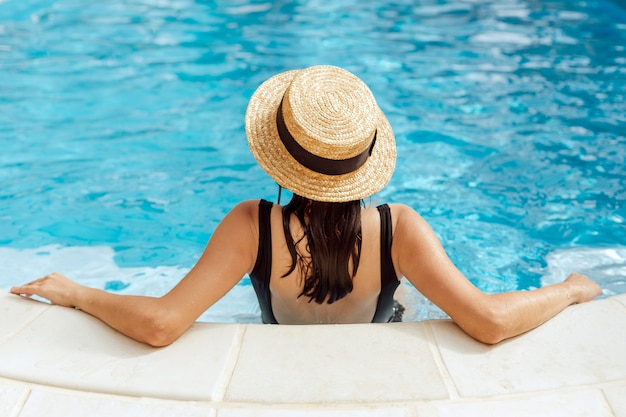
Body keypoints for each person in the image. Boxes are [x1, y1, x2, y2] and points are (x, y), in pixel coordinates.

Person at [10, 65, 602, 347]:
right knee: (423, 298)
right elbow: (491, 322)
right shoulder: (400, 228)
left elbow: (163, 324)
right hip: (378, 337)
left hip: (280, 340)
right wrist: (573, 288)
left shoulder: (252, 224)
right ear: (365, 158)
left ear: (280, 155)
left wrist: (78, 293)